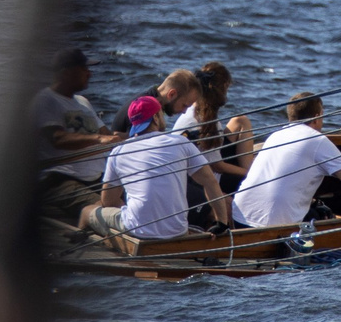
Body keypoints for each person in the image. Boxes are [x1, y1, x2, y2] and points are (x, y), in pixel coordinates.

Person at [236, 93, 341, 228]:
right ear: (317, 117)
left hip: (238, 217)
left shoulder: (275, 136)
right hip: (272, 226)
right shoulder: (317, 140)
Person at [81, 94, 232, 242]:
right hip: (177, 231)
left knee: (87, 211)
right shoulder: (180, 142)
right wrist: (221, 223)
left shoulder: (118, 151)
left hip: (137, 231)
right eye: (161, 113)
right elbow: (210, 182)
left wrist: (139, 214)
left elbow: (108, 200)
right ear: (155, 117)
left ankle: (79, 251)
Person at [32, 47, 116, 164]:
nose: (89, 74)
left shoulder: (83, 101)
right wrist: (99, 139)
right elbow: (58, 139)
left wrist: (137, 136)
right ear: (66, 73)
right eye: (84, 69)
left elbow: (107, 135)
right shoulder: (46, 99)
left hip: (99, 176)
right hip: (65, 176)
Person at [183, 60, 258, 184]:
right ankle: (251, 169)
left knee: (241, 121)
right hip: (209, 178)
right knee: (252, 180)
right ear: (223, 88)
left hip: (210, 164)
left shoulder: (194, 109)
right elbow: (217, 166)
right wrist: (253, 174)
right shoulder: (204, 121)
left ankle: (249, 166)